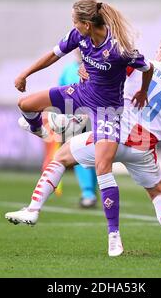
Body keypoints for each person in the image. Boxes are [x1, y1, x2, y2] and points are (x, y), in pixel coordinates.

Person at [6, 37, 161, 256]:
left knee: (62, 156)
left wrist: (87, 73)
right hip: (144, 146)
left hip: (115, 132)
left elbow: (108, 75)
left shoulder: (145, 66)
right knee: (157, 191)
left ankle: (34, 208)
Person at [13, 0, 154, 245]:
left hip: (107, 111)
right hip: (80, 94)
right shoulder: (78, 37)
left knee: (102, 168)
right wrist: (26, 73)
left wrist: (143, 91)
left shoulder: (120, 48)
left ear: (87, 24)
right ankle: (40, 131)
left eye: (75, 22)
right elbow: (53, 55)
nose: (73, 26)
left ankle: (114, 235)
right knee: (25, 104)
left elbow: (148, 67)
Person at [57, 50, 98, 208]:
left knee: (96, 155)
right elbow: (60, 92)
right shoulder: (68, 69)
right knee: (80, 154)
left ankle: (91, 191)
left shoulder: (96, 68)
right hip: (74, 118)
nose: (78, 50)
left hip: (96, 115)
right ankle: (88, 192)